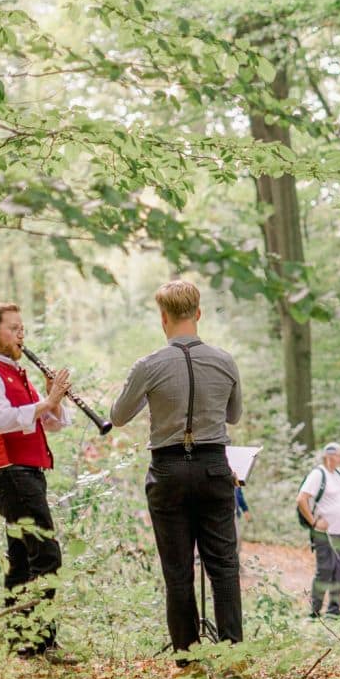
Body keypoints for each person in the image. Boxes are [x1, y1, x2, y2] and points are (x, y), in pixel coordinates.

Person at [110, 280, 244, 659]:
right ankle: (234, 651)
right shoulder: (224, 361)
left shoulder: (149, 365)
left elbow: (118, 416)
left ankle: (186, 654)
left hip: (168, 468)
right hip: (214, 465)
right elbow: (233, 415)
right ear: (198, 314)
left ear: (163, 317)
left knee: (177, 568)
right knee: (224, 566)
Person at [0, 302, 74, 660]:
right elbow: (1, 420)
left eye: (22, 329)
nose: (21, 335)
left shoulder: (16, 373)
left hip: (28, 474)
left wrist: (52, 400)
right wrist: (47, 401)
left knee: (22, 559)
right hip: (10, 473)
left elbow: (53, 424)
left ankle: (22, 642)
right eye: (13, 329)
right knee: (46, 553)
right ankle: (43, 641)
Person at [297, 443, 340, 618]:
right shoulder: (318, 474)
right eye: (339, 455)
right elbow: (301, 499)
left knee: (338, 570)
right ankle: (315, 611)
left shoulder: (338, 473)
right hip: (323, 533)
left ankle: (334, 610)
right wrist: (314, 522)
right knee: (325, 570)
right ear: (330, 456)